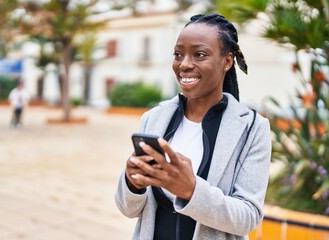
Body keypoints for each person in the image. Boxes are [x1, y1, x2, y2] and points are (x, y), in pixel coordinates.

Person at [115, 13, 271, 240]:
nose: (184, 64)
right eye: (178, 54)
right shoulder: (155, 118)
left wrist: (192, 191)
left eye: (199, 55)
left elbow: (248, 217)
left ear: (227, 61)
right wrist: (131, 183)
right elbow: (129, 209)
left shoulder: (252, 128)